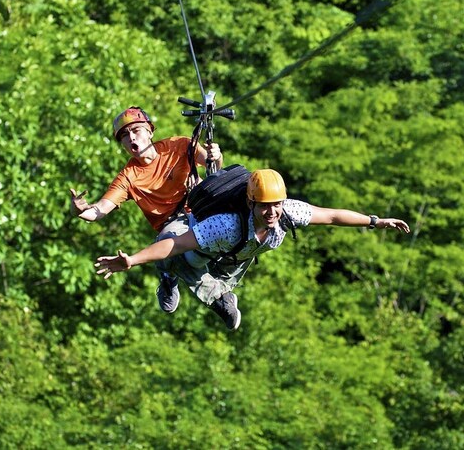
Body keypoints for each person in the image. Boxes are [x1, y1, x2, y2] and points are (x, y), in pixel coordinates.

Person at [94, 168, 410, 331]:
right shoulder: (226, 225)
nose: (272, 213)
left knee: (219, 276)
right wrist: (132, 261)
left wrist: (374, 221)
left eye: (276, 205)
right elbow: (176, 244)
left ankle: (221, 294)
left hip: (234, 262)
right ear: (251, 203)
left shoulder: (289, 211)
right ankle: (177, 282)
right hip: (203, 247)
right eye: (264, 207)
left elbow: (331, 216)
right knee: (178, 258)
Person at [70, 106, 223, 311]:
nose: (131, 137)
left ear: (150, 131)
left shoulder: (179, 145)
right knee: (172, 247)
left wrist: (216, 155)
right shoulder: (128, 177)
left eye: (136, 130)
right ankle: (215, 297)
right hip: (172, 225)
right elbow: (98, 211)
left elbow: (215, 170)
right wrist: (79, 210)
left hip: (200, 208)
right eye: (124, 135)